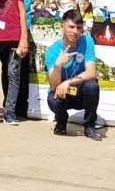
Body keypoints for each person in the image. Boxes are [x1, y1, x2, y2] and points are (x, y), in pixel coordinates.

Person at [44, 10, 102, 140]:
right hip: (63, 93)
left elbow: (92, 72)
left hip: (80, 90)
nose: (75, 31)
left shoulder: (87, 41)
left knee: (92, 86)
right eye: (71, 27)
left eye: (79, 28)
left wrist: (68, 81)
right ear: (62, 27)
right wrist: (58, 66)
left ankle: (89, 126)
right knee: (52, 100)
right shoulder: (53, 51)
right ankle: (61, 120)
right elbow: (53, 86)